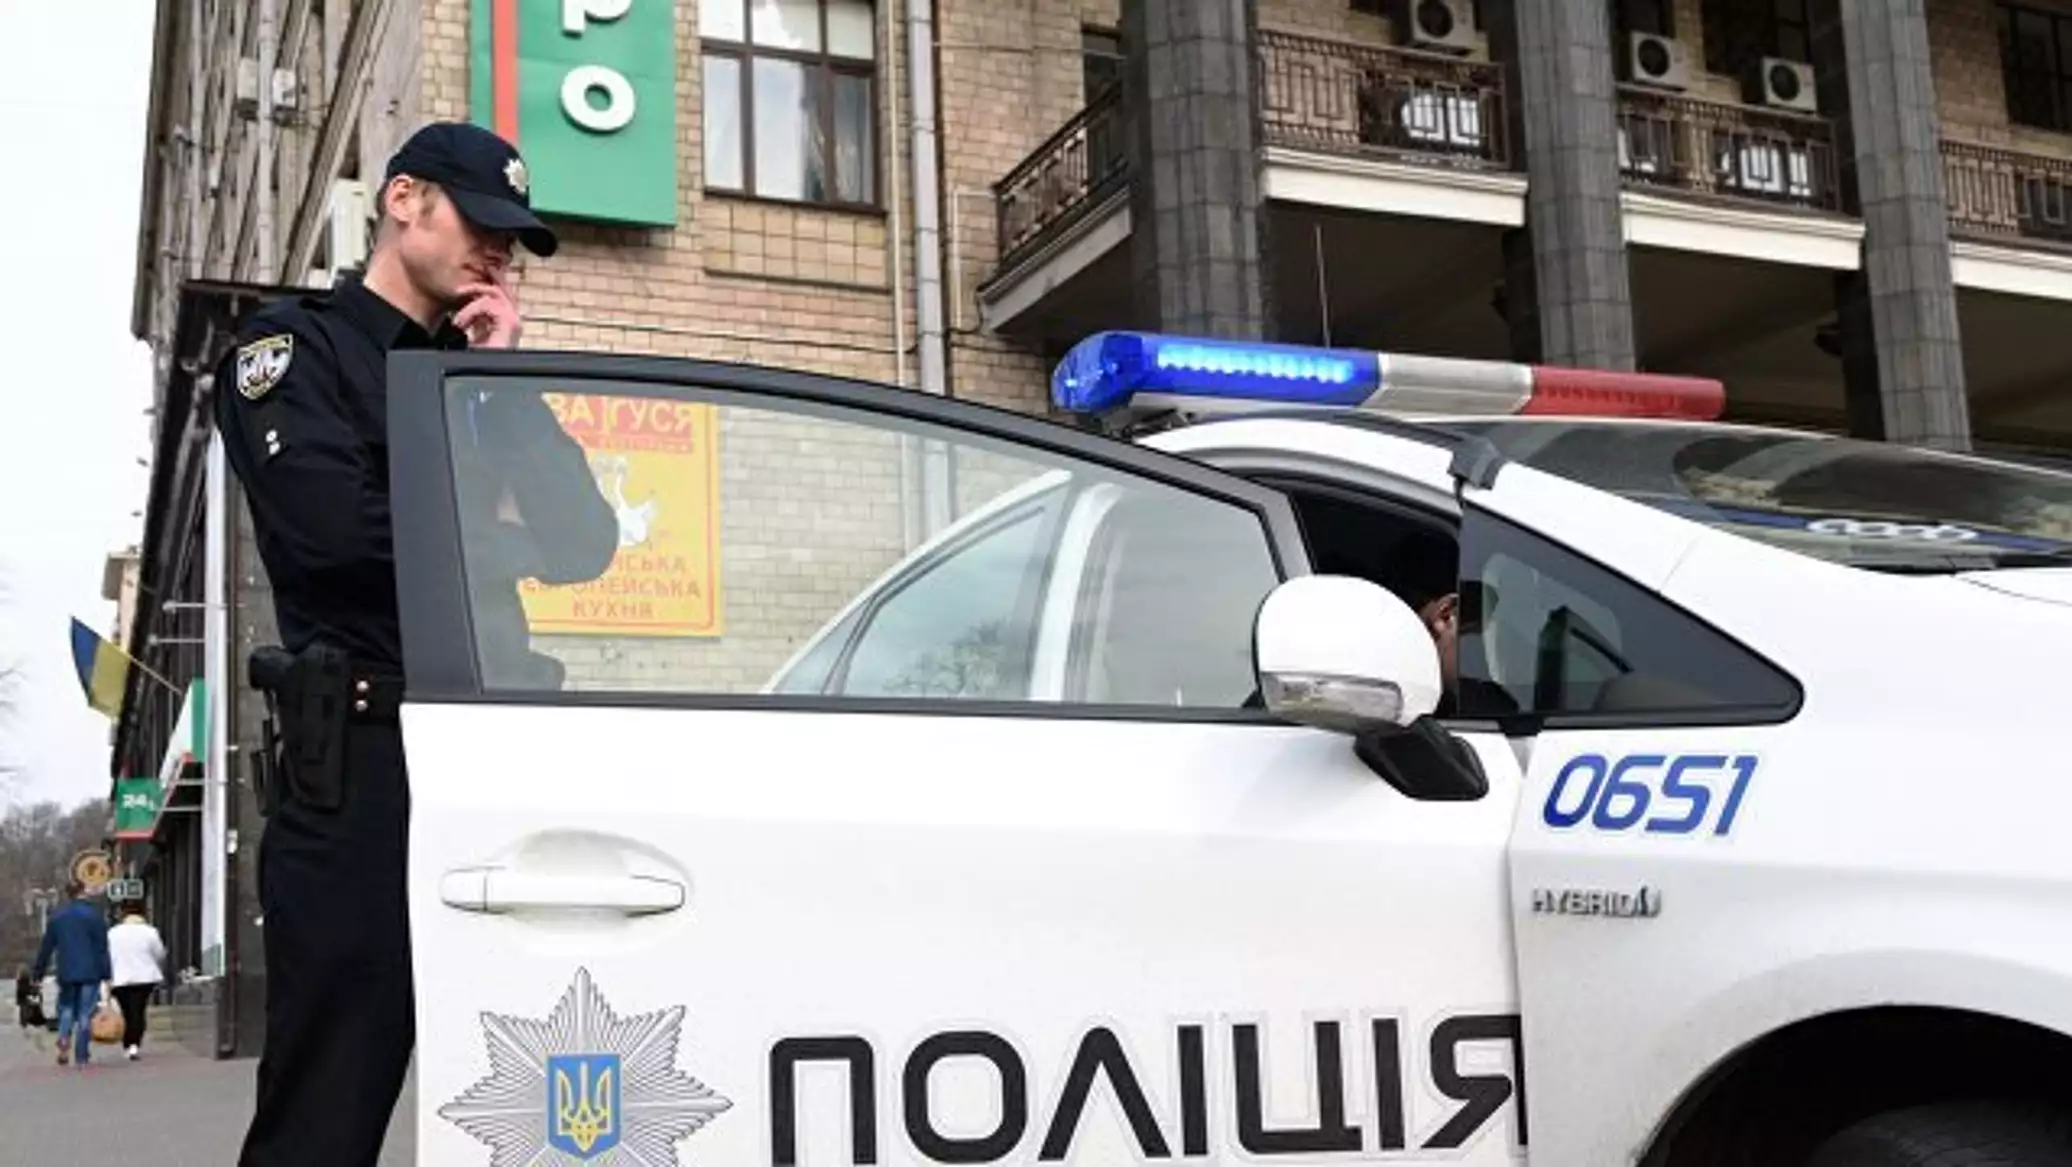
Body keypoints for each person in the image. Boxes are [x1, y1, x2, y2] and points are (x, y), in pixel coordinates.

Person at [212, 122, 617, 1167]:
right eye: (479, 223)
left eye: (511, 238)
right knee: (330, 1105)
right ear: (403, 200)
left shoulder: (473, 380)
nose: (497, 251)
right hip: (366, 762)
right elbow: (336, 537)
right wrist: (504, 539)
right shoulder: (291, 351)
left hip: (501, 758)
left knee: (539, 1091)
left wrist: (504, 383)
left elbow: (585, 542)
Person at [29, 881, 111, 1069]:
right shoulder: (94, 916)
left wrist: (38, 973)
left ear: (68, 894)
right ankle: (82, 1055)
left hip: (66, 971)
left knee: (66, 1008)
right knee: (85, 1013)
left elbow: (46, 948)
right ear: (83, 891)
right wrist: (106, 973)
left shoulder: (58, 918)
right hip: (90, 971)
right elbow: (102, 948)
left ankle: (64, 1038)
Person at [107, 901, 166, 1061]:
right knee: (138, 1011)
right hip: (144, 977)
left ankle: (128, 1043)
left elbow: (107, 955)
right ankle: (134, 1044)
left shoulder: (113, 933)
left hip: (120, 978)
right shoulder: (150, 932)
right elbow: (159, 953)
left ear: (123, 914)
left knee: (126, 1012)